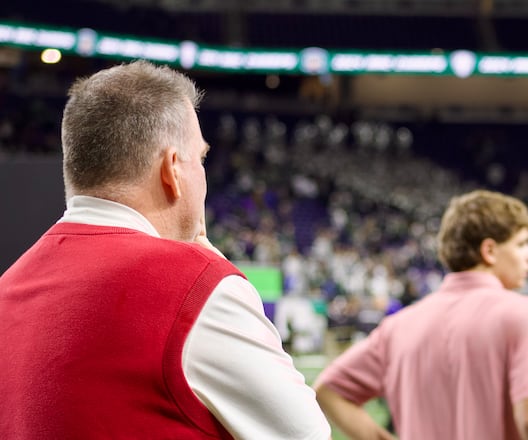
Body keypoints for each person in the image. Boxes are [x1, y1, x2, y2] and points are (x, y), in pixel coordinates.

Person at [0, 60, 330, 439]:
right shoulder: (197, 286)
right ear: (173, 170)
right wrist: (218, 273)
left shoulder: (8, 287)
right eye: (201, 159)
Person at [313, 189, 528, 440]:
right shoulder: (527, 314)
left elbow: (328, 391)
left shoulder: (399, 326)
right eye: (521, 244)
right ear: (489, 250)